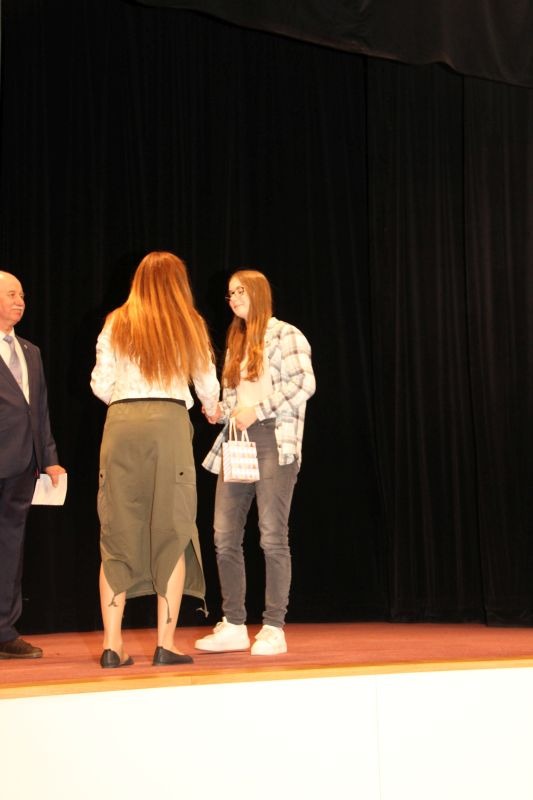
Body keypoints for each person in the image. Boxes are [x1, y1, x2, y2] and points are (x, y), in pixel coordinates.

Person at [90, 251, 220, 668]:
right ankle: (166, 643)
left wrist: (128, 403)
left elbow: (100, 383)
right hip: (168, 422)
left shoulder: (116, 321)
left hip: (121, 424)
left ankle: (112, 645)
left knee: (116, 531)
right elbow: (207, 383)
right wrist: (212, 408)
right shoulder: (189, 322)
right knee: (173, 528)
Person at [196, 269, 315, 656]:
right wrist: (220, 411)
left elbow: (304, 384)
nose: (233, 298)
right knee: (223, 534)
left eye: (240, 291)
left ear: (259, 293)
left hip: (274, 439)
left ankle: (273, 627)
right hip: (238, 440)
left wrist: (256, 410)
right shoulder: (237, 342)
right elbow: (236, 400)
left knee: (271, 534)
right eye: (230, 293)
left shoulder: (286, 334)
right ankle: (233, 623)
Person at [0, 270, 65, 660]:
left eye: (22, 295)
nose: (20, 301)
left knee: (10, 547)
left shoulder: (30, 351)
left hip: (22, 465)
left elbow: (38, 411)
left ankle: (5, 631)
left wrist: (50, 459)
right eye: (11, 294)